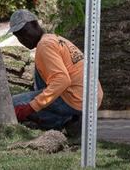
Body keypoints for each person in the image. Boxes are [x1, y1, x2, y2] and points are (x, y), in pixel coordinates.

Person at [9, 9, 103, 137]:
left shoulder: (45, 45)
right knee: (39, 70)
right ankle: (68, 118)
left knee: (11, 104)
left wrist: (31, 107)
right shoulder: (53, 39)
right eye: (18, 36)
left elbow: (62, 80)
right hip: (90, 97)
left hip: (77, 100)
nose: (22, 39)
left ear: (36, 25)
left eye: (24, 32)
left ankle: (64, 121)